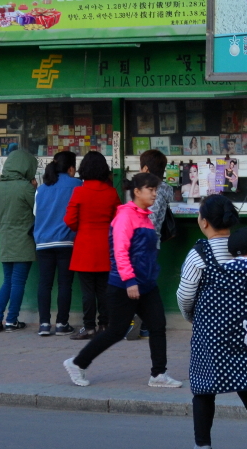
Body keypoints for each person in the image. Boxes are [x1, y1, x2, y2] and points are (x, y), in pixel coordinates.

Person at [177, 196, 247, 449]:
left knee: (203, 387)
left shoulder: (199, 254)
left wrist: (193, 317)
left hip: (212, 333)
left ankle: (203, 448)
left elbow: (186, 295)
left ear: (204, 221)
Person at [63, 172, 182, 389]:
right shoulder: (125, 216)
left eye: (155, 189)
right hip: (125, 285)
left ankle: (158, 374)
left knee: (157, 326)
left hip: (146, 284)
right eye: (150, 189)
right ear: (137, 192)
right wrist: (129, 281)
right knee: (116, 331)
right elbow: (120, 251)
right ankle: (77, 363)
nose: (154, 194)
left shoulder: (144, 216)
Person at [122, 149, 176, 342]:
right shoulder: (164, 189)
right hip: (154, 243)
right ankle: (144, 324)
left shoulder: (146, 190)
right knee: (146, 284)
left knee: (137, 285)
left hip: (140, 243)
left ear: (145, 168)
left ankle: (138, 322)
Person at [65, 151, 119, 341]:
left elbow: (69, 220)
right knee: (104, 290)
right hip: (106, 246)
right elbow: (117, 221)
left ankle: (89, 327)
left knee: (87, 291)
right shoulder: (111, 193)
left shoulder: (79, 191)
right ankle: (105, 324)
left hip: (84, 246)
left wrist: (83, 228)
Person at [0, 148, 38, 332]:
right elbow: (39, 212)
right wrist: (35, 189)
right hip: (24, 242)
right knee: (18, 282)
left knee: (7, 281)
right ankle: (11, 321)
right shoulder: (26, 188)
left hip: (6, 243)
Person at [33, 150, 80, 336]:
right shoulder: (77, 185)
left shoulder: (42, 189)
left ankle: (44, 324)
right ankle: (62, 324)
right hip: (66, 242)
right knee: (64, 284)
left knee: (44, 284)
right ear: (70, 168)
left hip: (43, 242)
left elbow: (36, 214)